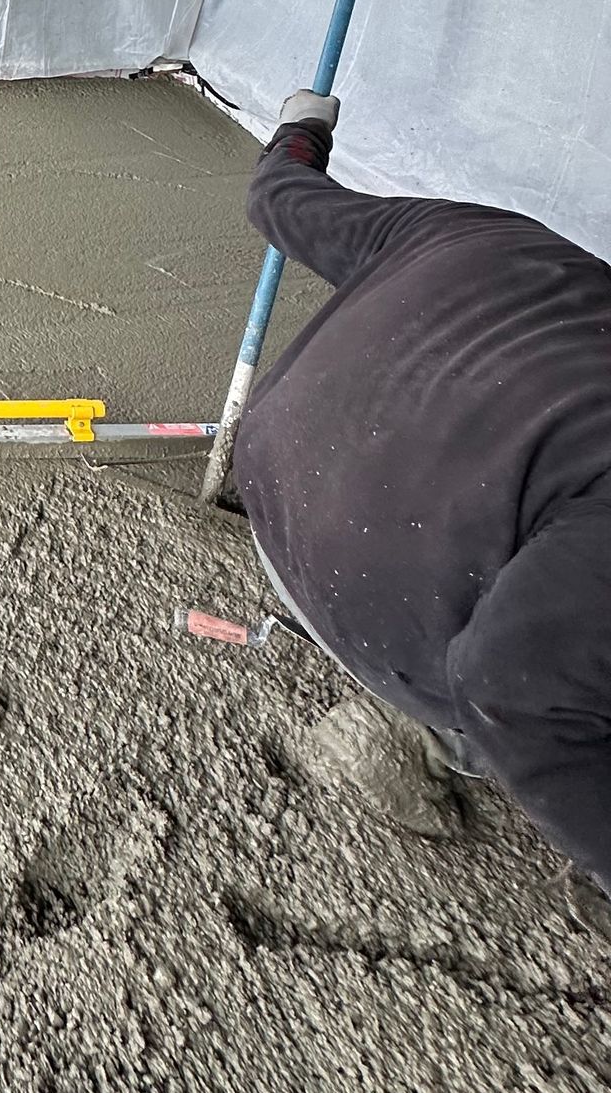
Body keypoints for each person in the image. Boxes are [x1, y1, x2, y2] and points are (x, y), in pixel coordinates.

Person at [234, 89, 611, 903]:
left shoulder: (464, 227)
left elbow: (278, 196)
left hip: (268, 487)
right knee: (543, 683)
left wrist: (303, 126)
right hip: (381, 611)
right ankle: (439, 739)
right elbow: (508, 686)